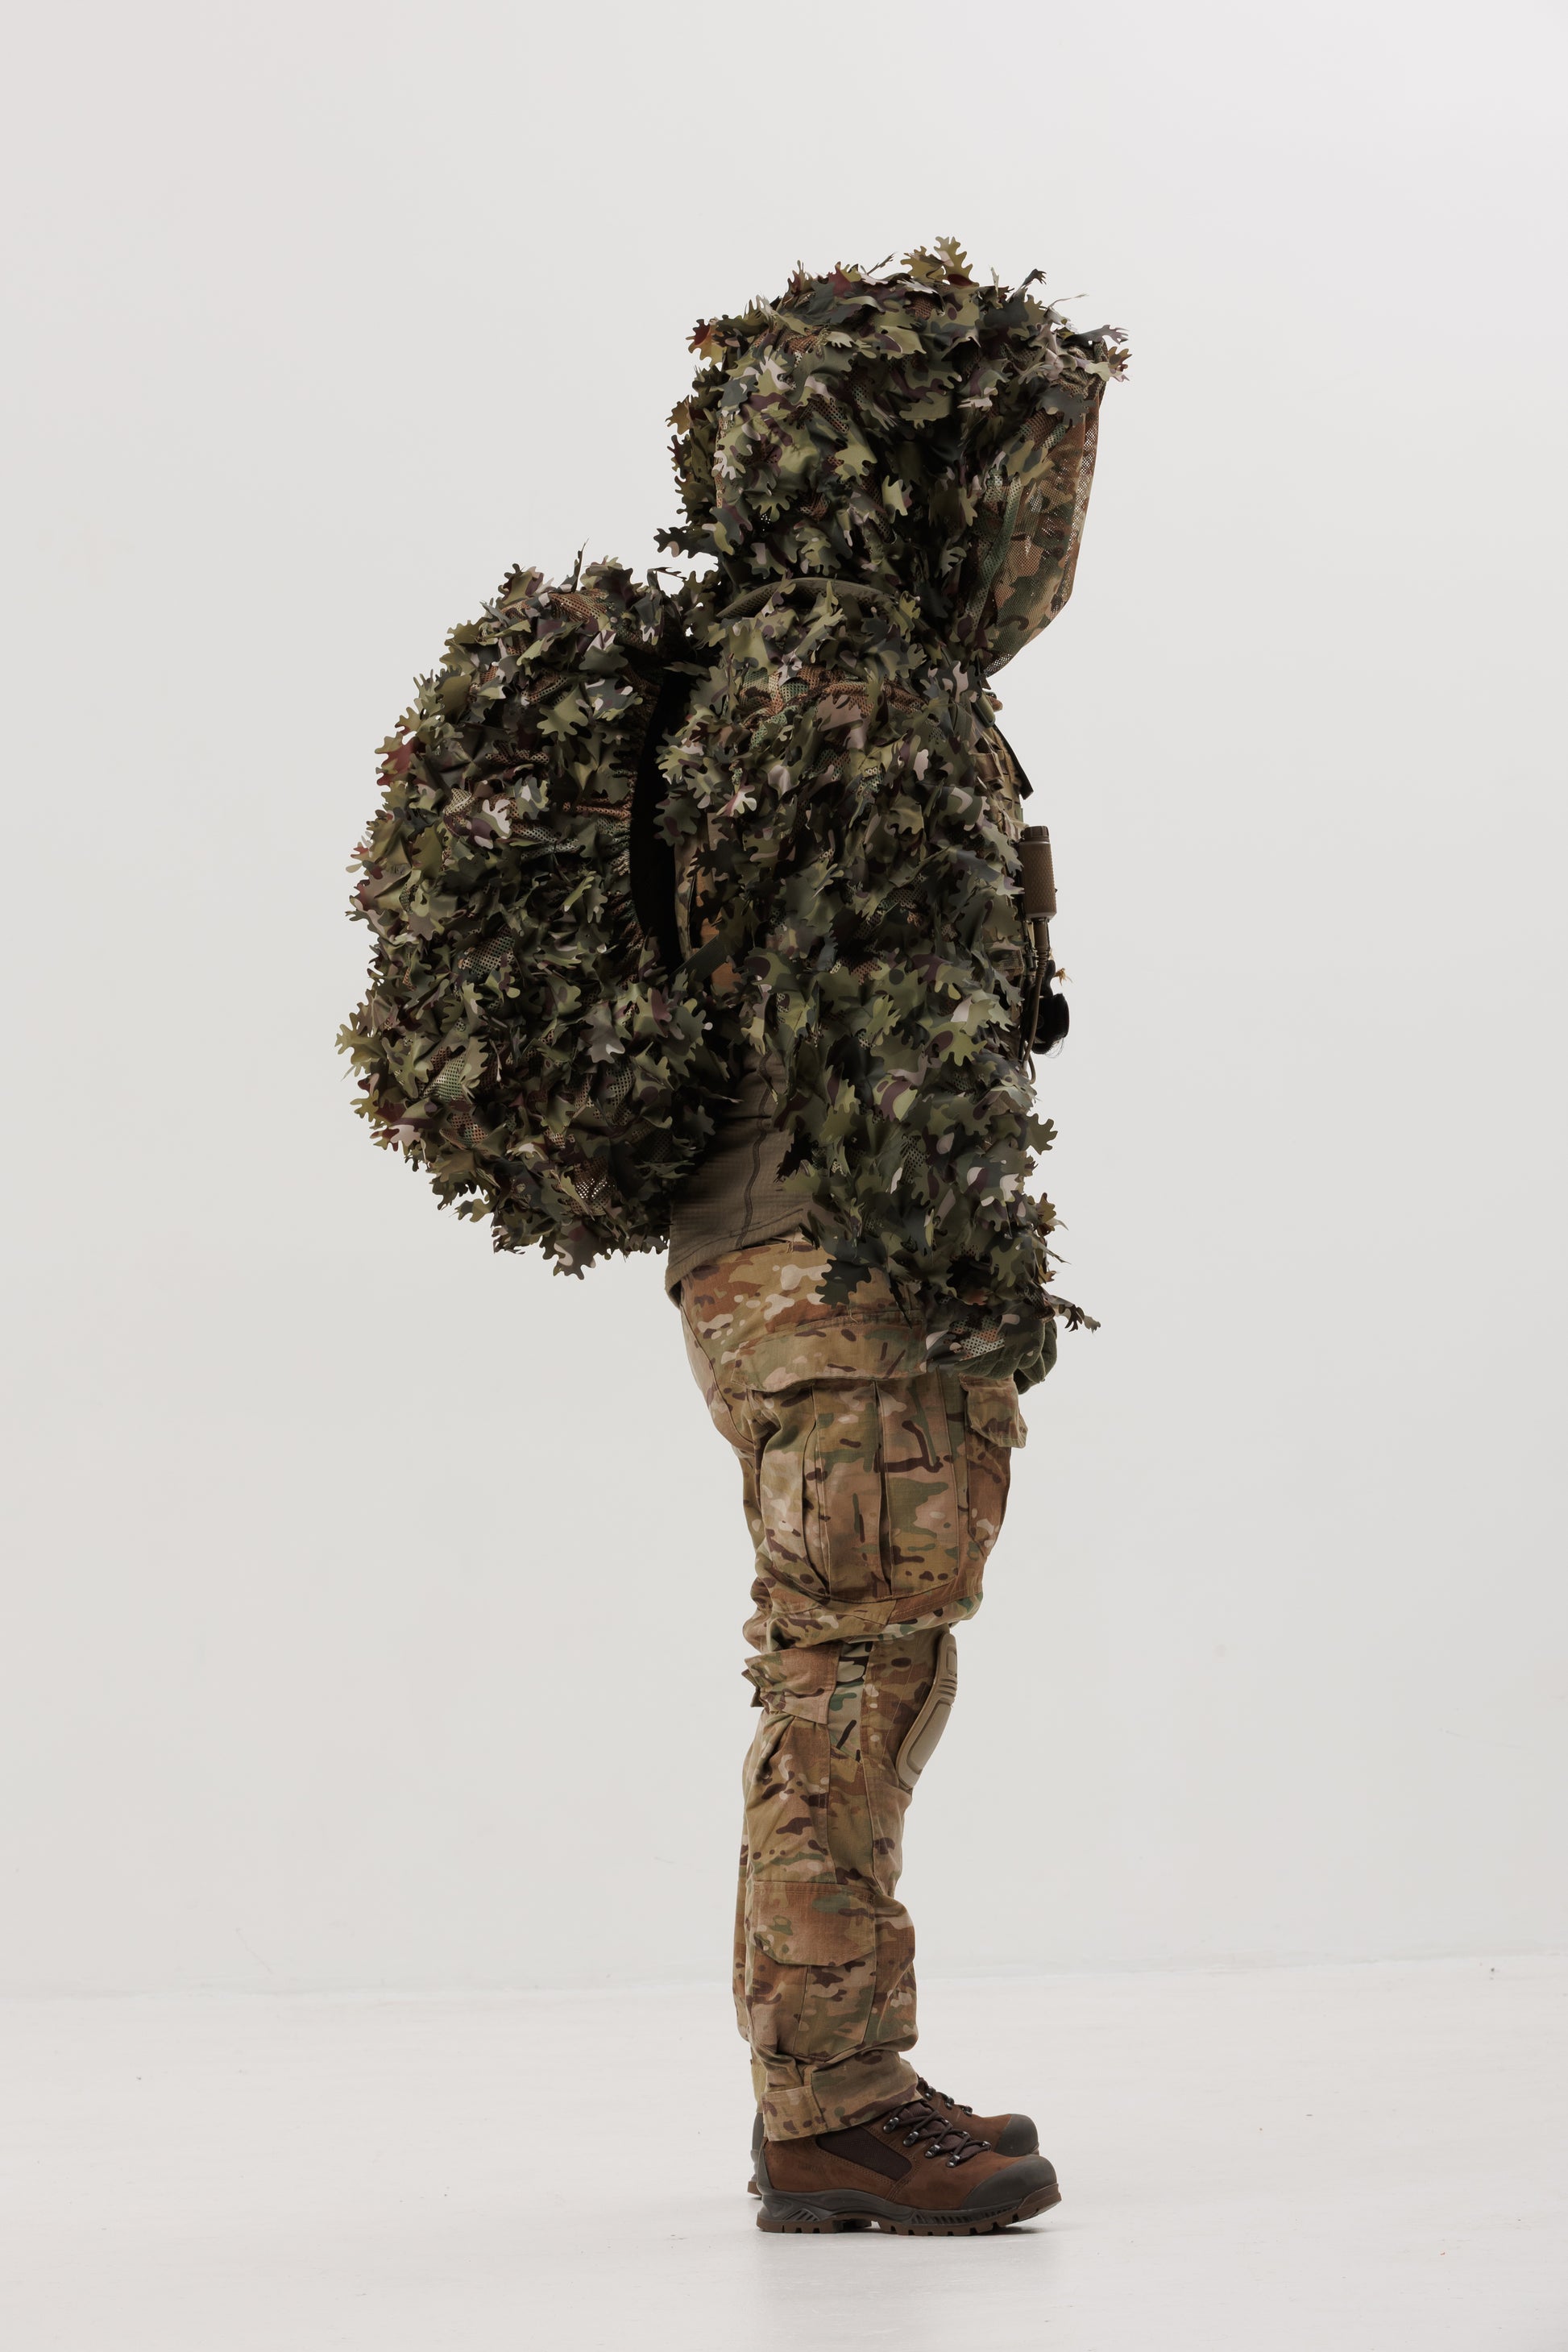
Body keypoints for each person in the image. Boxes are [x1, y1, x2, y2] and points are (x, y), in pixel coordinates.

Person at [653, 243, 1125, 2234]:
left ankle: (832, 2084)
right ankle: (833, 2101)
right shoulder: (842, 681)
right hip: (830, 1251)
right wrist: (949, 1274)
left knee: (852, 1652)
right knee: (851, 1658)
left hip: (805, 1243)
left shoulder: (803, 664)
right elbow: (872, 1010)